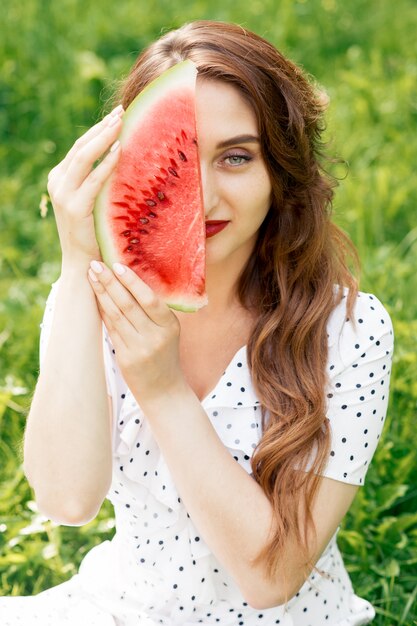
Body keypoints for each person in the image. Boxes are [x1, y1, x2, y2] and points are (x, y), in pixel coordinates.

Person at [0, 20, 393, 626]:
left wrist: (161, 386)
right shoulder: (91, 300)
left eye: (236, 157)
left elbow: (272, 578)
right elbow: (66, 499)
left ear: (279, 174)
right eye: (173, 163)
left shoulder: (350, 330)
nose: (201, 197)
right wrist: (79, 261)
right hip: (116, 610)